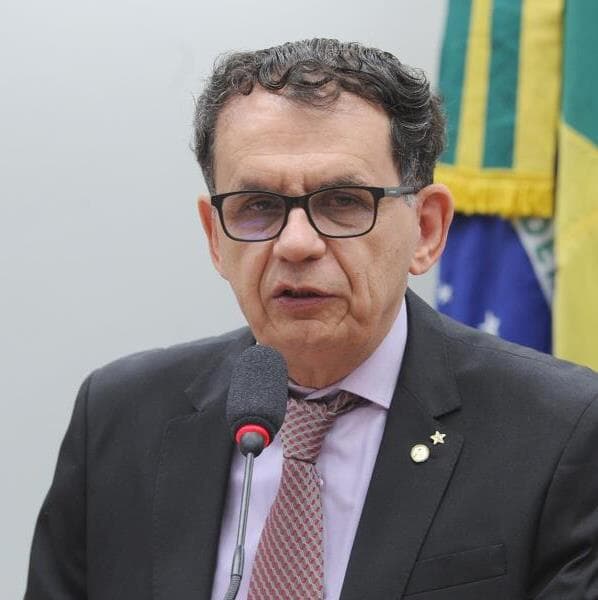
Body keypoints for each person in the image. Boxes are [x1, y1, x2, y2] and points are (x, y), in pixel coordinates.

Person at [25, 39, 598, 600]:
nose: (296, 244)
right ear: (215, 237)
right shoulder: (119, 417)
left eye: (343, 201)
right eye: (257, 207)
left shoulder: (561, 429)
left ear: (426, 229)